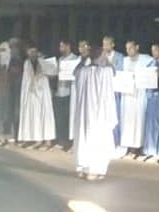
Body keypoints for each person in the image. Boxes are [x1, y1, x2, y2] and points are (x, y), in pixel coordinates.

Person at [70, 42, 118, 181]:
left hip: (85, 114)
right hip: (99, 114)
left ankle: (82, 168)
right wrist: (107, 61)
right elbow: (114, 71)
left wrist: (84, 59)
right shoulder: (105, 72)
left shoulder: (82, 71)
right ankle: (94, 170)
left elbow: (74, 72)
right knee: (98, 139)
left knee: (84, 137)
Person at [118, 40, 154, 159]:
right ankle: (128, 146)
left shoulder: (146, 59)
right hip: (127, 96)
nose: (128, 51)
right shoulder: (124, 60)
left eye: (130, 48)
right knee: (127, 121)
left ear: (137, 47)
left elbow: (152, 72)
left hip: (139, 95)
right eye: (126, 48)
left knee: (139, 120)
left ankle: (138, 147)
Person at [18, 46, 56, 150]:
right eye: (30, 51)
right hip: (31, 94)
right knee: (34, 115)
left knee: (45, 114)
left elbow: (52, 73)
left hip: (43, 92)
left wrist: (42, 64)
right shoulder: (27, 63)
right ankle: (37, 139)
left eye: (34, 51)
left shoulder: (43, 61)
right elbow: (28, 78)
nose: (32, 54)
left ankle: (47, 141)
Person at [0, 41, 24, 146]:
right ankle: (4, 137)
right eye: (0, 50)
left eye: (4, 50)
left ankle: (17, 137)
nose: (1, 53)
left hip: (14, 92)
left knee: (15, 115)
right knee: (4, 116)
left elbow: (17, 76)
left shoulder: (16, 62)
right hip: (3, 93)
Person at [52, 40, 79, 151]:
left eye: (62, 46)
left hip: (69, 92)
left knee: (68, 118)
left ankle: (69, 142)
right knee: (60, 118)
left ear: (68, 46)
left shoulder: (75, 59)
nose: (60, 49)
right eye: (60, 46)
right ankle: (61, 140)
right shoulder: (60, 59)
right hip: (60, 92)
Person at [101, 35, 125, 156]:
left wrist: (109, 64)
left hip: (115, 91)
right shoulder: (101, 56)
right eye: (103, 44)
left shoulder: (119, 57)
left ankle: (117, 142)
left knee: (115, 117)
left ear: (113, 44)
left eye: (107, 44)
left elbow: (119, 72)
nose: (105, 47)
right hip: (104, 92)